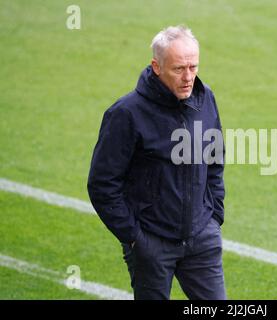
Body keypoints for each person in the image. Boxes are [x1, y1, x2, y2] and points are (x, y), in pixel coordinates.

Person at [87, 25, 226, 300]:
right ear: (157, 66)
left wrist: (214, 215)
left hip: (201, 239)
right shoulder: (126, 114)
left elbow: (215, 158)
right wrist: (135, 237)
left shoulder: (205, 98)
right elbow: (102, 184)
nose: (188, 77)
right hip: (151, 243)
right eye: (179, 69)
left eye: (193, 67)